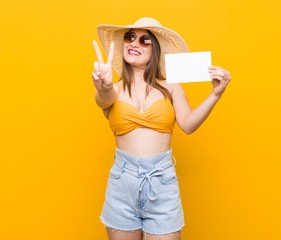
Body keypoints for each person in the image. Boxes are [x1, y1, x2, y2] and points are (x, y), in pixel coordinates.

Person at [92, 17, 231, 240]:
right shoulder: (113, 89)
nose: (134, 43)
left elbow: (188, 124)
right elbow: (103, 99)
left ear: (155, 49)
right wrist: (105, 85)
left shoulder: (171, 88)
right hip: (122, 183)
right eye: (130, 37)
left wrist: (216, 94)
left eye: (144, 39)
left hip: (162, 181)